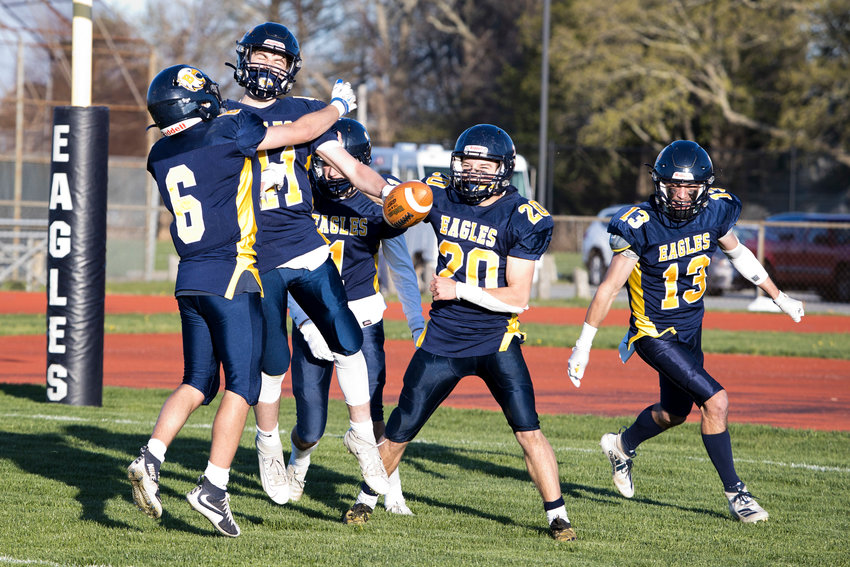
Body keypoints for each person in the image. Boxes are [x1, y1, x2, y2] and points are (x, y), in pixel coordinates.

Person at [126, 64, 356, 537]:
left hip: (188, 277)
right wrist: (339, 107)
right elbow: (301, 130)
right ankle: (213, 486)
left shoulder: (158, 154)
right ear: (195, 103)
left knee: (196, 382)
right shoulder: (228, 129)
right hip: (232, 272)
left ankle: (151, 457)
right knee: (243, 387)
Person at [343, 124, 577, 542]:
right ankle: (366, 498)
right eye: (465, 163)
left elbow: (517, 297)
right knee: (401, 427)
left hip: (496, 339)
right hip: (443, 339)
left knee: (528, 430)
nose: (470, 172)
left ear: (503, 169)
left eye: (482, 165)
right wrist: (336, 160)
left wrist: (459, 289)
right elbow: (385, 190)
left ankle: (557, 516)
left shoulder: (523, 216)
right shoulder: (441, 194)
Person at [566, 140, 805, 524]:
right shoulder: (640, 224)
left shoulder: (714, 212)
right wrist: (583, 345)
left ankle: (620, 445)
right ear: (658, 184)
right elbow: (609, 288)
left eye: (689, 188)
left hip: (691, 329)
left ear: (704, 188)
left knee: (674, 413)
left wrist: (779, 296)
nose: (680, 196)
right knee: (717, 402)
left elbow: (738, 253)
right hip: (653, 333)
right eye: (672, 187)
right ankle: (737, 495)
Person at [225, 22, 394, 505]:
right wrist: (336, 107)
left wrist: (390, 192)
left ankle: (362, 437)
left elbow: (351, 167)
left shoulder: (304, 110)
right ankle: (269, 448)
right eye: (262, 56)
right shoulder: (224, 114)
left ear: (292, 70)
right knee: (273, 361)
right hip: (254, 253)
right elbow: (292, 135)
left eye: (280, 60)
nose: (269, 66)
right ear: (243, 57)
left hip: (303, 243)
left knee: (349, 338)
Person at [284, 118, 424, 513]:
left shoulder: (379, 204)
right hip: (311, 311)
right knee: (310, 426)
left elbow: (400, 267)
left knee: (373, 409)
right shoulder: (302, 196)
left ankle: (389, 487)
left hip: (362, 313)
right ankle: (299, 460)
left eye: (339, 162)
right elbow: (284, 265)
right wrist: (303, 317)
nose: (330, 170)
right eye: (325, 162)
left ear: (358, 161)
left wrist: (415, 320)